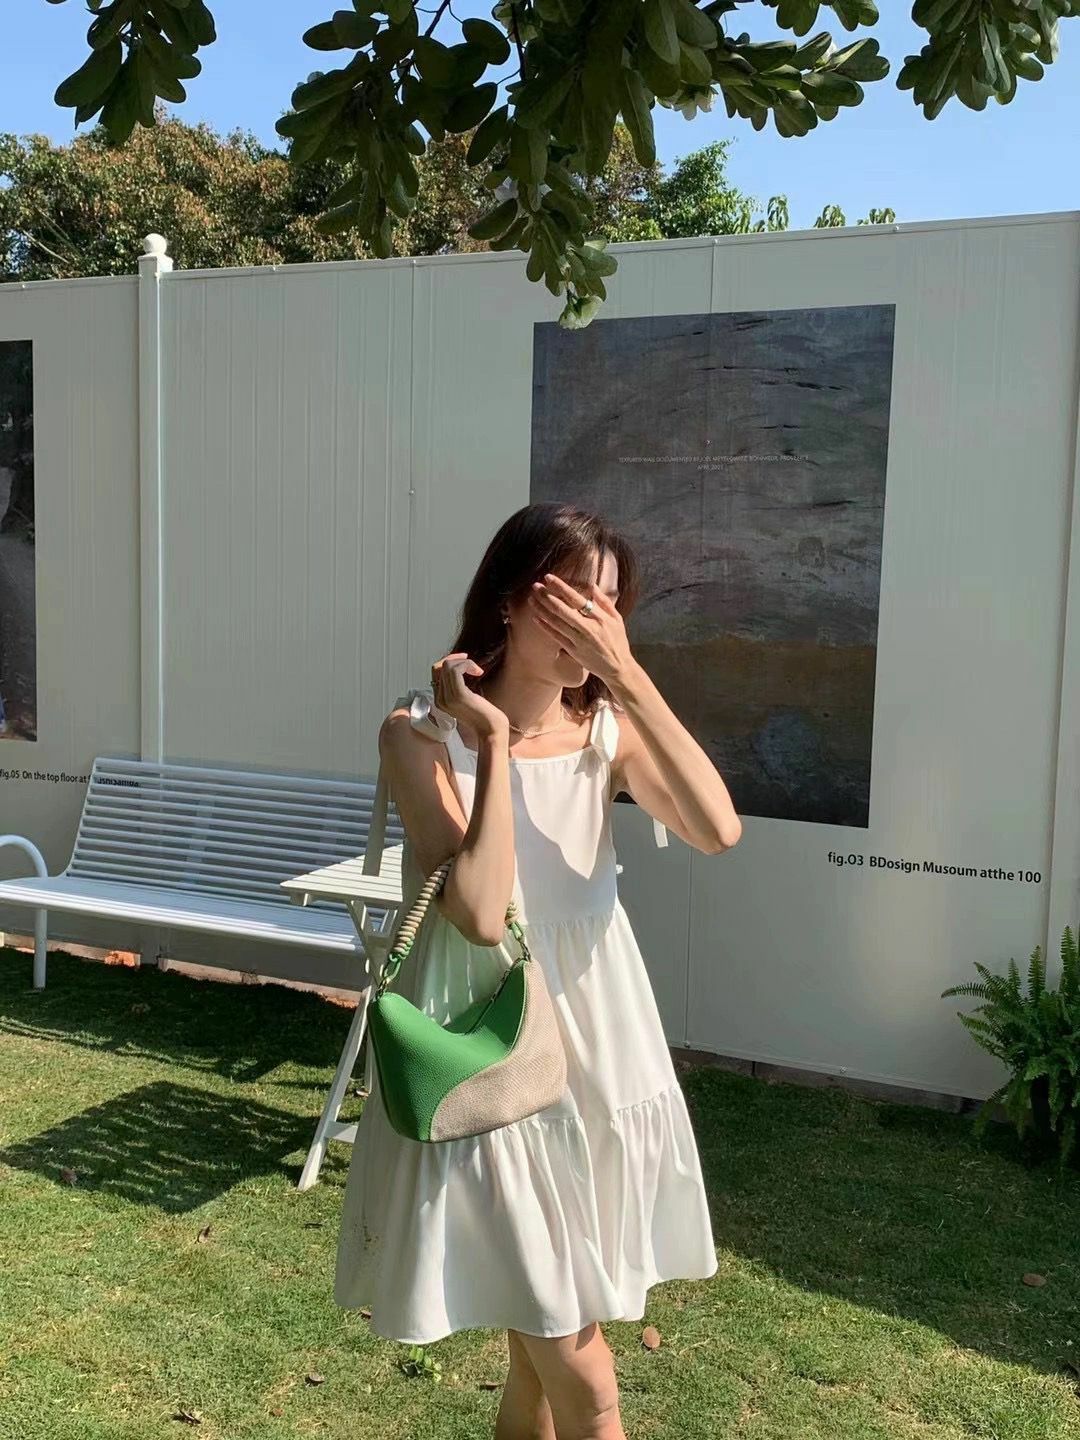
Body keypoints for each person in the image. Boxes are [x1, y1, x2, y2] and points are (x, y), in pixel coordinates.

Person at [335, 502, 742, 1440]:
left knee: (536, 1354)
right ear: (510, 602)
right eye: (573, 602)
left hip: (598, 1040)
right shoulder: (419, 734)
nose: (594, 626)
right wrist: (491, 743)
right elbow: (481, 913)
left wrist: (629, 676)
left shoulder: (606, 732)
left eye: (610, 607)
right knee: (581, 1370)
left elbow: (718, 829)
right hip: (489, 1048)